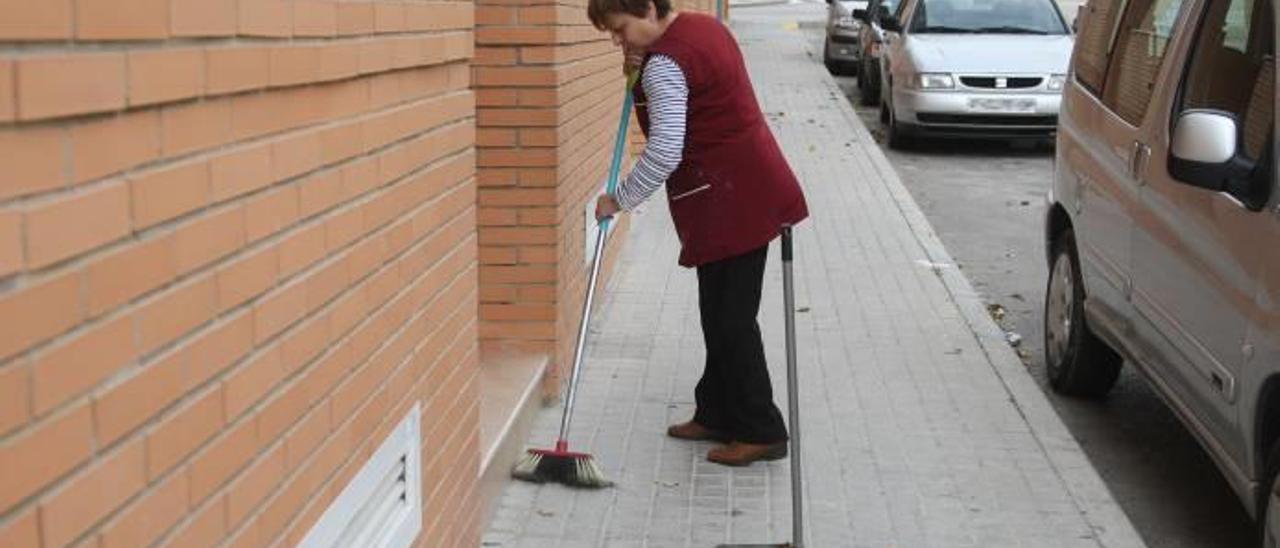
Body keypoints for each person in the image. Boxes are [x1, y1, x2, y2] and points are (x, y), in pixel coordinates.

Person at [588, 0, 809, 467]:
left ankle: (761, 429)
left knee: (731, 318)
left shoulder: (666, 63)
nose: (618, 40)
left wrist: (620, 198)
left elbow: (665, 151)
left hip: (732, 199)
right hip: (745, 187)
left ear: (647, 9)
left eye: (620, 28)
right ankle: (716, 410)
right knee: (720, 309)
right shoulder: (701, 29)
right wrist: (638, 69)